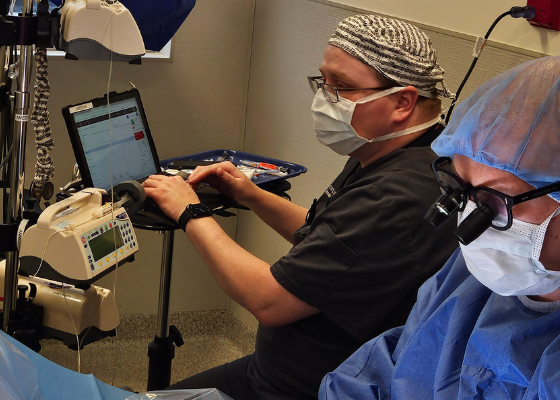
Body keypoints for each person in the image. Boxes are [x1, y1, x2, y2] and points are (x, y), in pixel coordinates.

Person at [143, 15, 459, 400]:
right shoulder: (395, 152)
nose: (324, 98)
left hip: (309, 389)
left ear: (403, 102)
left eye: (341, 86)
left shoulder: (394, 197)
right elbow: (326, 235)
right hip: (274, 369)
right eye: (323, 81)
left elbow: (268, 299)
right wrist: (250, 194)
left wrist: (190, 212)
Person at [319, 56, 560, 400]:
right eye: (461, 189)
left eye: (496, 199)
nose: (472, 218)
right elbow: (392, 366)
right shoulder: (464, 278)